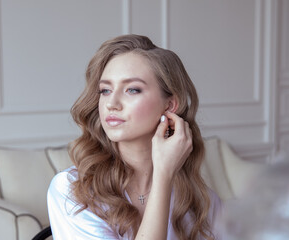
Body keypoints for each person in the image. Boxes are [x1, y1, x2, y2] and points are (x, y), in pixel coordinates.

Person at [47, 34, 221, 240]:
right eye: (105, 90)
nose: (112, 103)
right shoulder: (73, 191)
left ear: (170, 105)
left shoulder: (201, 202)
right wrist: (163, 176)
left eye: (132, 90)